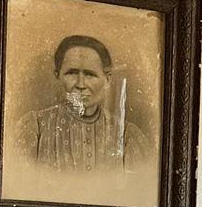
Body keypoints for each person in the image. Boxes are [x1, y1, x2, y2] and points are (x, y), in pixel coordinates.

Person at [19, 33, 150, 175]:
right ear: (57, 76)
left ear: (107, 80)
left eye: (90, 74)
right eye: (72, 73)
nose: (81, 84)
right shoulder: (35, 127)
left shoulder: (127, 135)